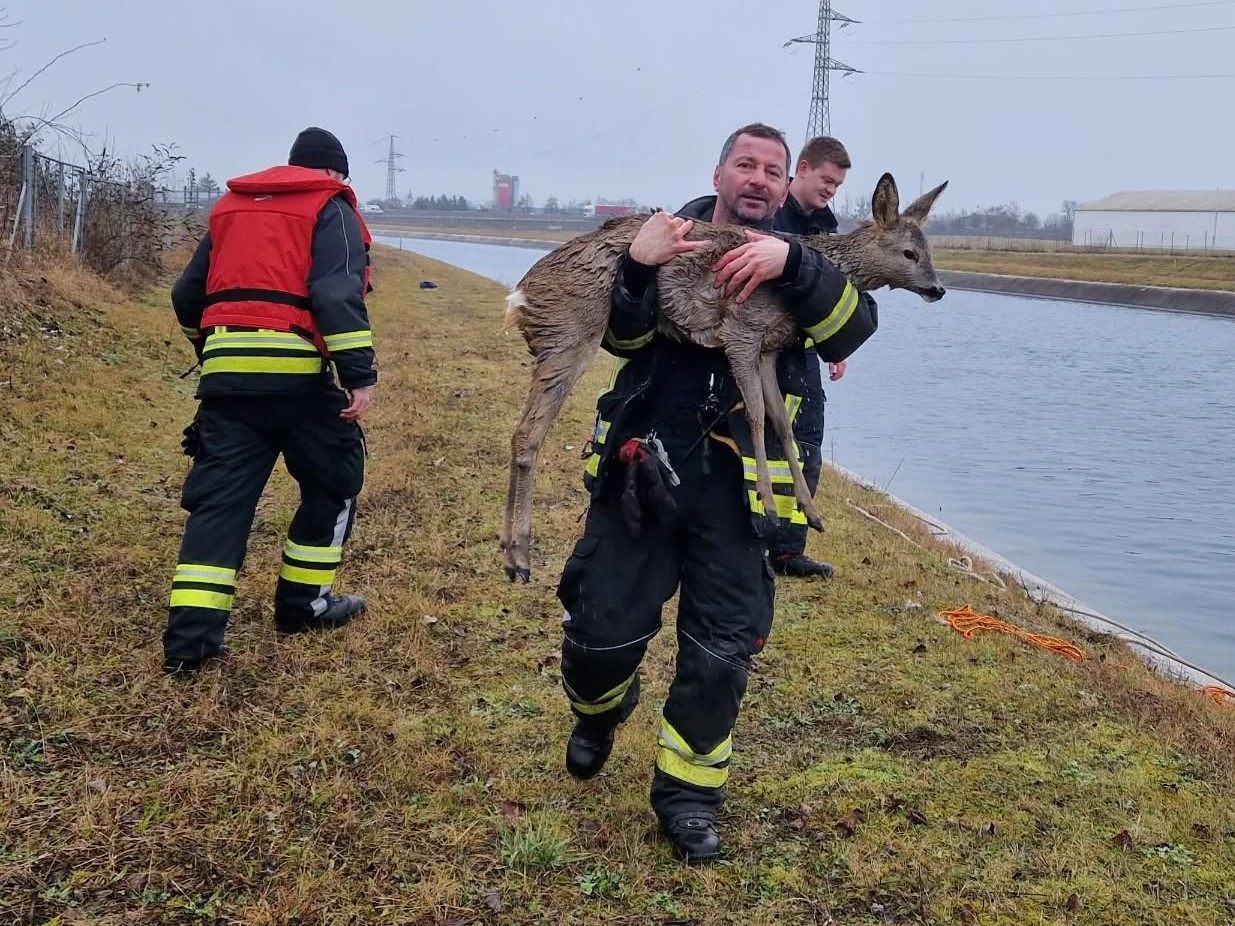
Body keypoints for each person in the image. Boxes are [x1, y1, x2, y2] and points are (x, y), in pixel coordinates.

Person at [558, 123, 878, 859]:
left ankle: (688, 796)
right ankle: (598, 712)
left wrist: (792, 264)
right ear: (720, 173)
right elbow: (622, 340)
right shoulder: (667, 236)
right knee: (599, 632)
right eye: (746, 165)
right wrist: (637, 272)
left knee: (721, 652)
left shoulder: (808, 256)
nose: (759, 179)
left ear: (785, 179)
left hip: (742, 494)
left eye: (772, 168)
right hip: (644, 470)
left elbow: (851, 331)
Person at [162, 127, 377, 674]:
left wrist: (210, 346)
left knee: (220, 505)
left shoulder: (231, 208)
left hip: (226, 378)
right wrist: (359, 375)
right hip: (299, 378)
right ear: (335, 174)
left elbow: (187, 294)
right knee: (335, 482)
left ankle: (190, 644)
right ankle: (304, 606)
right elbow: (335, 293)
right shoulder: (332, 208)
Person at [769, 135, 853, 579]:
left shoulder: (828, 228)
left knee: (807, 450)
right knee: (759, 449)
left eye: (837, 185)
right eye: (826, 180)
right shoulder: (769, 213)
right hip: (763, 353)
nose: (831, 191)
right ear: (801, 169)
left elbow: (830, 294)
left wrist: (835, 346)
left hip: (802, 359)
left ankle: (788, 550)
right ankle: (755, 539)